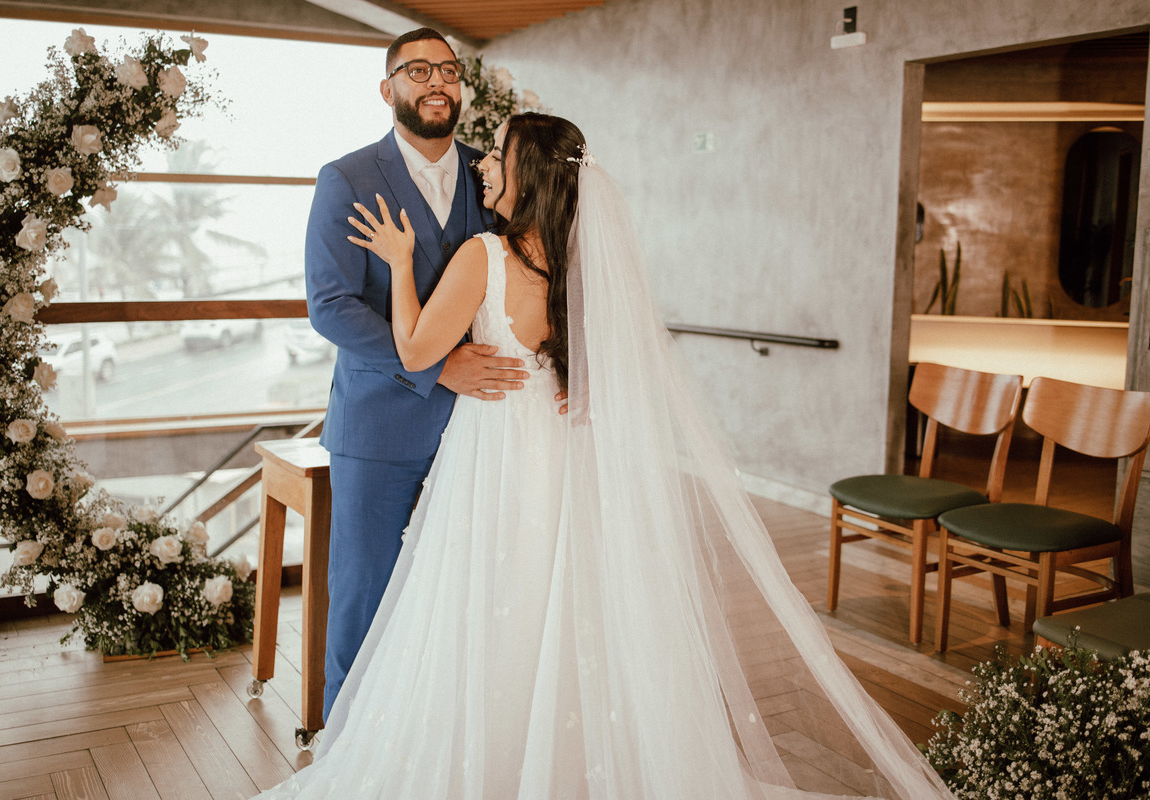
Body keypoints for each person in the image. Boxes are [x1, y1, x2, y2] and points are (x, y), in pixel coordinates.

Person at [258, 114, 953, 798]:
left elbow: (415, 350)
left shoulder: (483, 255)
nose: (484, 166)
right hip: (558, 452)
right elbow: (604, 363)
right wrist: (579, 384)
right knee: (558, 591)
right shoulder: (580, 267)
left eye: (498, 156)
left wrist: (400, 262)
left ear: (529, 176)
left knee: (484, 594)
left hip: (493, 451)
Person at [305, 28, 529, 720]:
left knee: (461, 594)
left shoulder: (491, 173)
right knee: (365, 595)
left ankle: (436, 742)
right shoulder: (347, 178)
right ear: (388, 89)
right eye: (418, 70)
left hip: (481, 425)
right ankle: (343, 744)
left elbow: (527, 267)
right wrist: (438, 367)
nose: (437, 82)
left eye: (449, 71)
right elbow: (330, 306)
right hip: (380, 426)